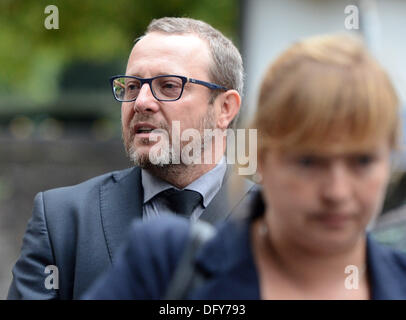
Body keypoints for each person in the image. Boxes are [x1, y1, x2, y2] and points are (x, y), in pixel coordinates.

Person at [84, 34, 406, 300]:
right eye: (308, 162)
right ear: (262, 157)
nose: (337, 191)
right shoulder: (166, 265)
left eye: (362, 161)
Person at [8, 17, 256, 299]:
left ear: (225, 108)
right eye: (132, 86)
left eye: (169, 86)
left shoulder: (277, 220)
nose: (140, 102)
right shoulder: (61, 220)